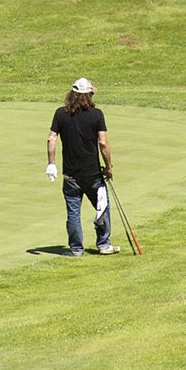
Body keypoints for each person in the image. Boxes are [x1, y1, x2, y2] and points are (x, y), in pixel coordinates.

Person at [44, 77, 114, 256]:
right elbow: (103, 143)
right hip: (93, 174)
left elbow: (51, 138)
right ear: (89, 94)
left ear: (72, 94)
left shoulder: (60, 113)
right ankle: (104, 244)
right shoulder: (96, 114)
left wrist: (51, 164)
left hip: (70, 175)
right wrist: (109, 167)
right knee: (102, 206)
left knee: (73, 212)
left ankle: (76, 249)